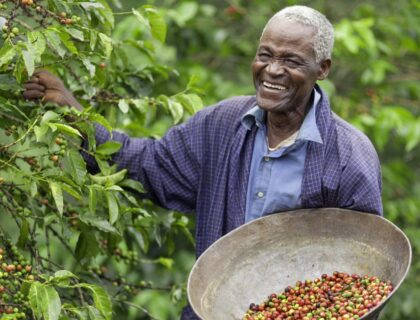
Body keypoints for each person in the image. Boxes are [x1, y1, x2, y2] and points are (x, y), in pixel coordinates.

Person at [23, 5, 382, 319]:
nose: (272, 70)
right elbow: (149, 164)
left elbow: (365, 271)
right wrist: (78, 120)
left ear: (323, 69)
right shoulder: (222, 125)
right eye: (265, 55)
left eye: (291, 61)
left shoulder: (349, 155)